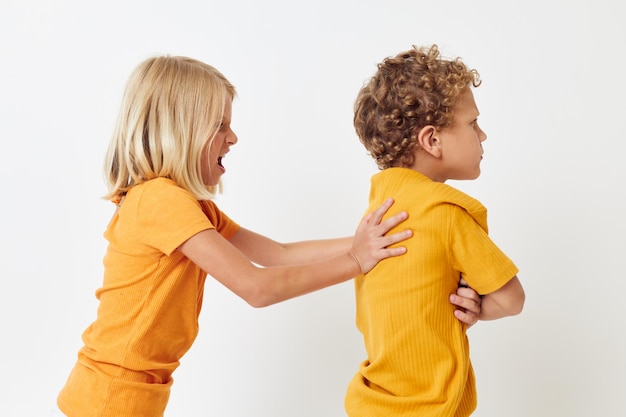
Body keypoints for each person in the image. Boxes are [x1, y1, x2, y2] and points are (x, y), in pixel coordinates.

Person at [56, 55, 483, 417]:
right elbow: (257, 287)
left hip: (130, 392)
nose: (233, 136)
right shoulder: (159, 202)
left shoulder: (189, 206)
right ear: (180, 130)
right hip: (109, 396)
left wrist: (369, 240)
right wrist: (356, 261)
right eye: (220, 125)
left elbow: (277, 254)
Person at [344, 45, 526, 417]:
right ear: (432, 140)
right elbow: (511, 299)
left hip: (372, 402)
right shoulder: (447, 214)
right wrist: (477, 308)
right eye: (473, 123)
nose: (483, 135)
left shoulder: (376, 216)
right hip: (431, 409)